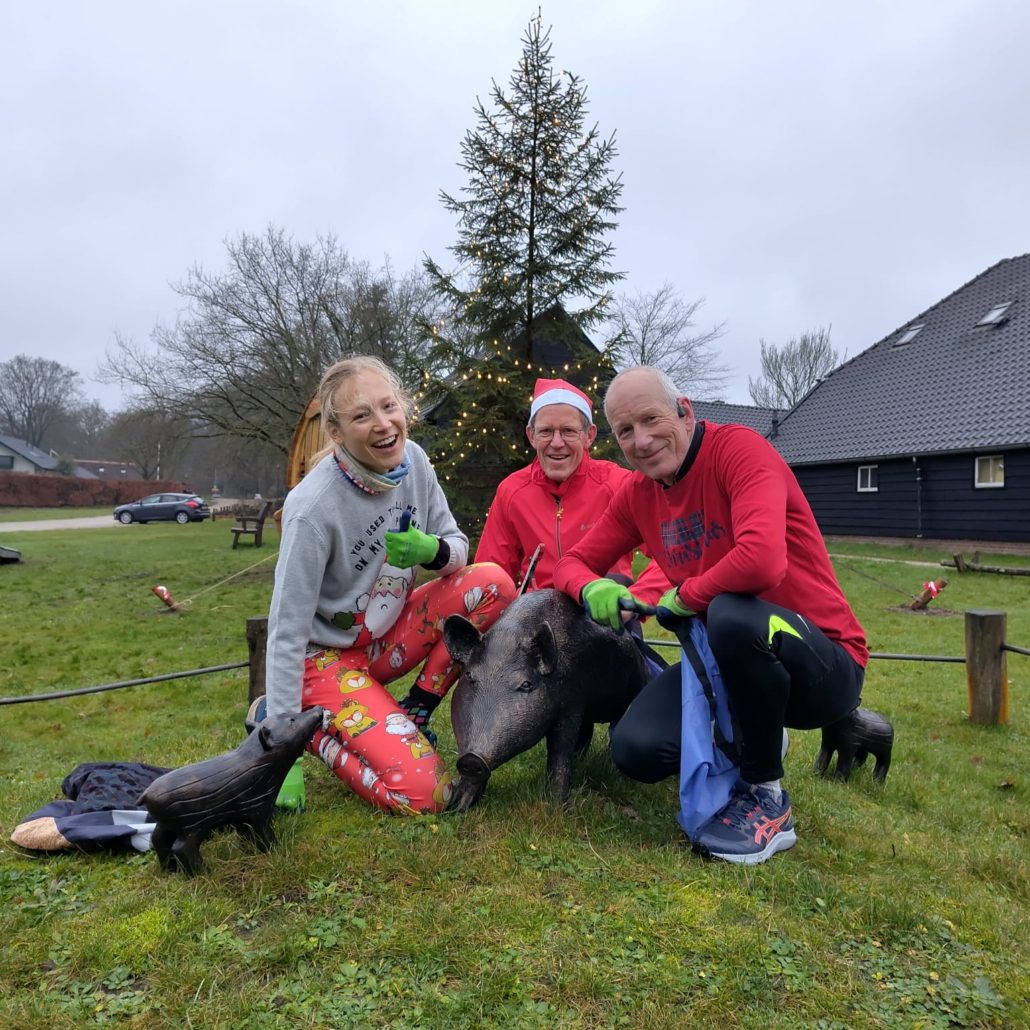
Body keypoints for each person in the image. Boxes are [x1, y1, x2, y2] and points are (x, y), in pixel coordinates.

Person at [553, 366, 868, 864]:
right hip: (728, 668)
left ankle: (766, 797)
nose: (642, 439)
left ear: (685, 410)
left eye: (652, 419)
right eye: (625, 431)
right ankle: (754, 733)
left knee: (729, 613)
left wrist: (687, 594)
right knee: (634, 751)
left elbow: (762, 559)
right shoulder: (638, 494)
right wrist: (589, 584)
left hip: (824, 667)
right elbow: (568, 563)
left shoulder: (739, 451)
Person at [262, 356, 516, 815]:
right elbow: (286, 630)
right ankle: (314, 731)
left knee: (494, 583)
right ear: (336, 433)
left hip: (383, 641)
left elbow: (458, 548)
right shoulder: (311, 510)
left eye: (388, 406)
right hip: (323, 662)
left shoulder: (415, 461)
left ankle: (416, 708)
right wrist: (284, 750)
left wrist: (430, 552)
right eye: (362, 416)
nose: (384, 425)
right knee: (430, 796)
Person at [475, 377, 668, 602]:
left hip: (606, 613)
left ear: (589, 436)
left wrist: (636, 598)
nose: (557, 443)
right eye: (546, 431)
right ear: (531, 436)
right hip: (538, 617)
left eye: (568, 431)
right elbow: (488, 577)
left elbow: (671, 554)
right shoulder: (512, 491)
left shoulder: (619, 484)